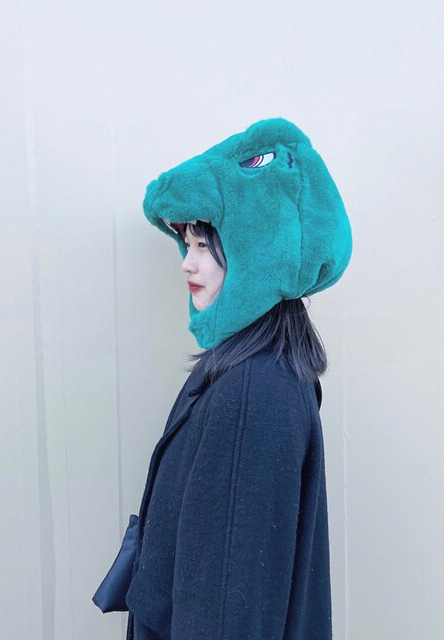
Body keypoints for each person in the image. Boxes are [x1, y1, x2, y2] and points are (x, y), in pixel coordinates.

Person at [94, 117, 352, 639]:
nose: (187, 264)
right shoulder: (253, 371)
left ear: (258, 249)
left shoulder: (254, 392)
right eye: (186, 244)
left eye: (204, 244)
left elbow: (227, 608)